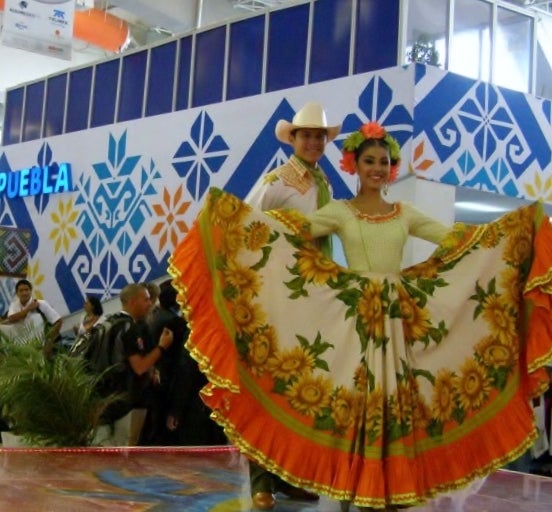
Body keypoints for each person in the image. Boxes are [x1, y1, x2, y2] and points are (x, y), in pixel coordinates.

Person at [168, 121, 552, 510]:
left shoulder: (405, 212)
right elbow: (298, 229)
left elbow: (455, 238)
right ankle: (354, 484)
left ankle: (390, 486)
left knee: (397, 399)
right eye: (369, 160)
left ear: (392, 167)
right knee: (354, 397)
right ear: (354, 163)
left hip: (399, 315)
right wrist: (236, 219)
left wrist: (513, 230)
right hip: (355, 317)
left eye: (383, 161)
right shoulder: (341, 210)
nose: (377, 168)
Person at [243, 101, 340, 509]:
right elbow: (245, 224)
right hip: (279, 294)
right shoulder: (277, 181)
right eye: (308, 135)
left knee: (301, 386)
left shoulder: (323, 184)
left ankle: (291, 474)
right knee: (268, 385)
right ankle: (261, 480)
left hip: (312, 295)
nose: (314, 141)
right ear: (294, 139)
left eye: (320, 136)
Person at [148, 279, 227, 446]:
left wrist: (175, 410)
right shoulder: (217, 326)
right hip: (216, 400)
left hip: (193, 403)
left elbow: (186, 370)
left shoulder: (189, 330)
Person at [104, 283, 174, 435]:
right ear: (132, 302)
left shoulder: (110, 323)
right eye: (146, 300)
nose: (150, 304)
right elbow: (140, 367)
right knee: (128, 448)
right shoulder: (130, 329)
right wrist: (162, 346)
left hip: (110, 397)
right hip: (128, 401)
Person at [4, 279, 63, 353]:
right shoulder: (14, 305)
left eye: (26, 290)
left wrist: (49, 342)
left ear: (30, 291)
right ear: (17, 293)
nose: (24, 293)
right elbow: (11, 318)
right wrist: (28, 309)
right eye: (21, 290)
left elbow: (58, 321)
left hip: (42, 347)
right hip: (23, 350)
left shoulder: (41, 304)